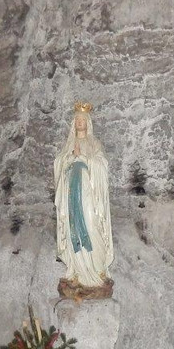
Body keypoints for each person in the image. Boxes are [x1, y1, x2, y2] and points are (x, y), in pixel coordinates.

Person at [54, 102, 114, 298]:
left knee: (90, 222)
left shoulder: (94, 143)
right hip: (71, 192)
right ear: (74, 123)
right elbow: (59, 163)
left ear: (88, 122)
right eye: (77, 119)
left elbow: (102, 164)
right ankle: (77, 272)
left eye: (83, 119)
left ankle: (96, 269)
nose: (80, 122)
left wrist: (84, 159)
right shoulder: (69, 144)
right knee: (73, 226)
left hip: (88, 191)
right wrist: (70, 158)